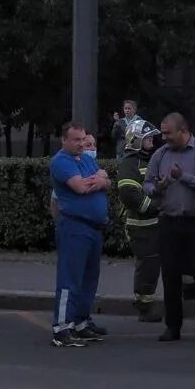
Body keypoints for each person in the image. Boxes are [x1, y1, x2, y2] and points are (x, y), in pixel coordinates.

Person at [144, 112, 195, 342]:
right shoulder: (160, 154)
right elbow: (147, 184)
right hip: (169, 221)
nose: (163, 137)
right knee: (170, 275)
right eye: (162, 132)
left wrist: (185, 177)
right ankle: (173, 326)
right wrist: (157, 188)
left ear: (183, 130)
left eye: (168, 133)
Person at [49, 122, 110, 347]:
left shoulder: (85, 159)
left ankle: (81, 322)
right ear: (64, 140)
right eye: (76, 140)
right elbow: (80, 187)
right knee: (70, 278)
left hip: (93, 227)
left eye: (83, 139)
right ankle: (62, 327)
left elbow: (106, 179)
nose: (81, 144)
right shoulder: (61, 161)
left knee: (89, 279)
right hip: (74, 227)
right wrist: (100, 181)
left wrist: (102, 179)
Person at [116, 119, 163, 322]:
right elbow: (129, 194)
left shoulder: (150, 160)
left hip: (155, 224)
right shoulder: (129, 164)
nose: (151, 139)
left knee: (155, 265)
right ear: (135, 140)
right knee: (148, 266)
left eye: (152, 136)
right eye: (147, 137)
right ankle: (144, 307)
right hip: (142, 226)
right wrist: (154, 207)